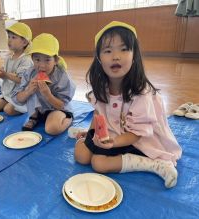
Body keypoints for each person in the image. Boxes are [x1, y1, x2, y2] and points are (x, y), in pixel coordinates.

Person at [74, 21, 182, 188]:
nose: (116, 56)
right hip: (111, 134)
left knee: (99, 164)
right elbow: (98, 114)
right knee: (81, 156)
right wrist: (91, 133)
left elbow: (137, 134)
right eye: (108, 51)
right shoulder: (101, 86)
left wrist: (114, 143)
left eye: (124, 49)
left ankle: (156, 165)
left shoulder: (141, 93)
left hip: (137, 139)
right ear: (98, 58)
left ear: (134, 56)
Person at [11, 33, 76, 135]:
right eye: (37, 60)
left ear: (56, 60)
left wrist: (48, 95)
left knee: (52, 129)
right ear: (32, 59)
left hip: (56, 109)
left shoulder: (62, 76)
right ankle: (34, 118)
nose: (41, 65)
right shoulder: (29, 73)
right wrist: (28, 91)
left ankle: (69, 118)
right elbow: (17, 99)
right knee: (10, 108)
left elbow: (62, 105)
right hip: (37, 112)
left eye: (47, 60)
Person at [0, 22, 33, 115]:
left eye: (13, 37)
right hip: (9, 93)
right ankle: (9, 102)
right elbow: (4, 72)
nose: (9, 40)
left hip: (20, 95)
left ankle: (27, 106)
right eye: (9, 37)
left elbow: (21, 80)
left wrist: (5, 74)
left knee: (8, 110)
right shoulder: (9, 57)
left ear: (24, 42)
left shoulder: (26, 60)